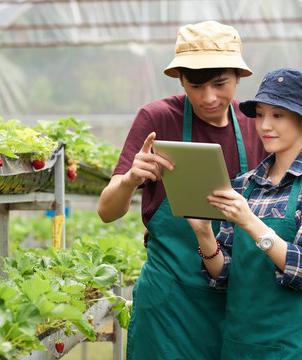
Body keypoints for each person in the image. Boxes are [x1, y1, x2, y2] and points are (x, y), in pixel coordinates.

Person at [97, 21, 268, 360]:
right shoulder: (159, 118)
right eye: (195, 84)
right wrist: (131, 179)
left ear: (238, 76)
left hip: (236, 293)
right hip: (169, 299)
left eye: (220, 84)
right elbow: (106, 211)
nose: (208, 97)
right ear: (180, 80)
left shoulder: (256, 125)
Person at [187, 67, 302, 359]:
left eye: (277, 115)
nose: (264, 125)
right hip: (239, 345)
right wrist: (204, 233)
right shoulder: (245, 184)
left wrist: (249, 221)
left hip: (293, 348)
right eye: (260, 114)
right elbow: (223, 275)